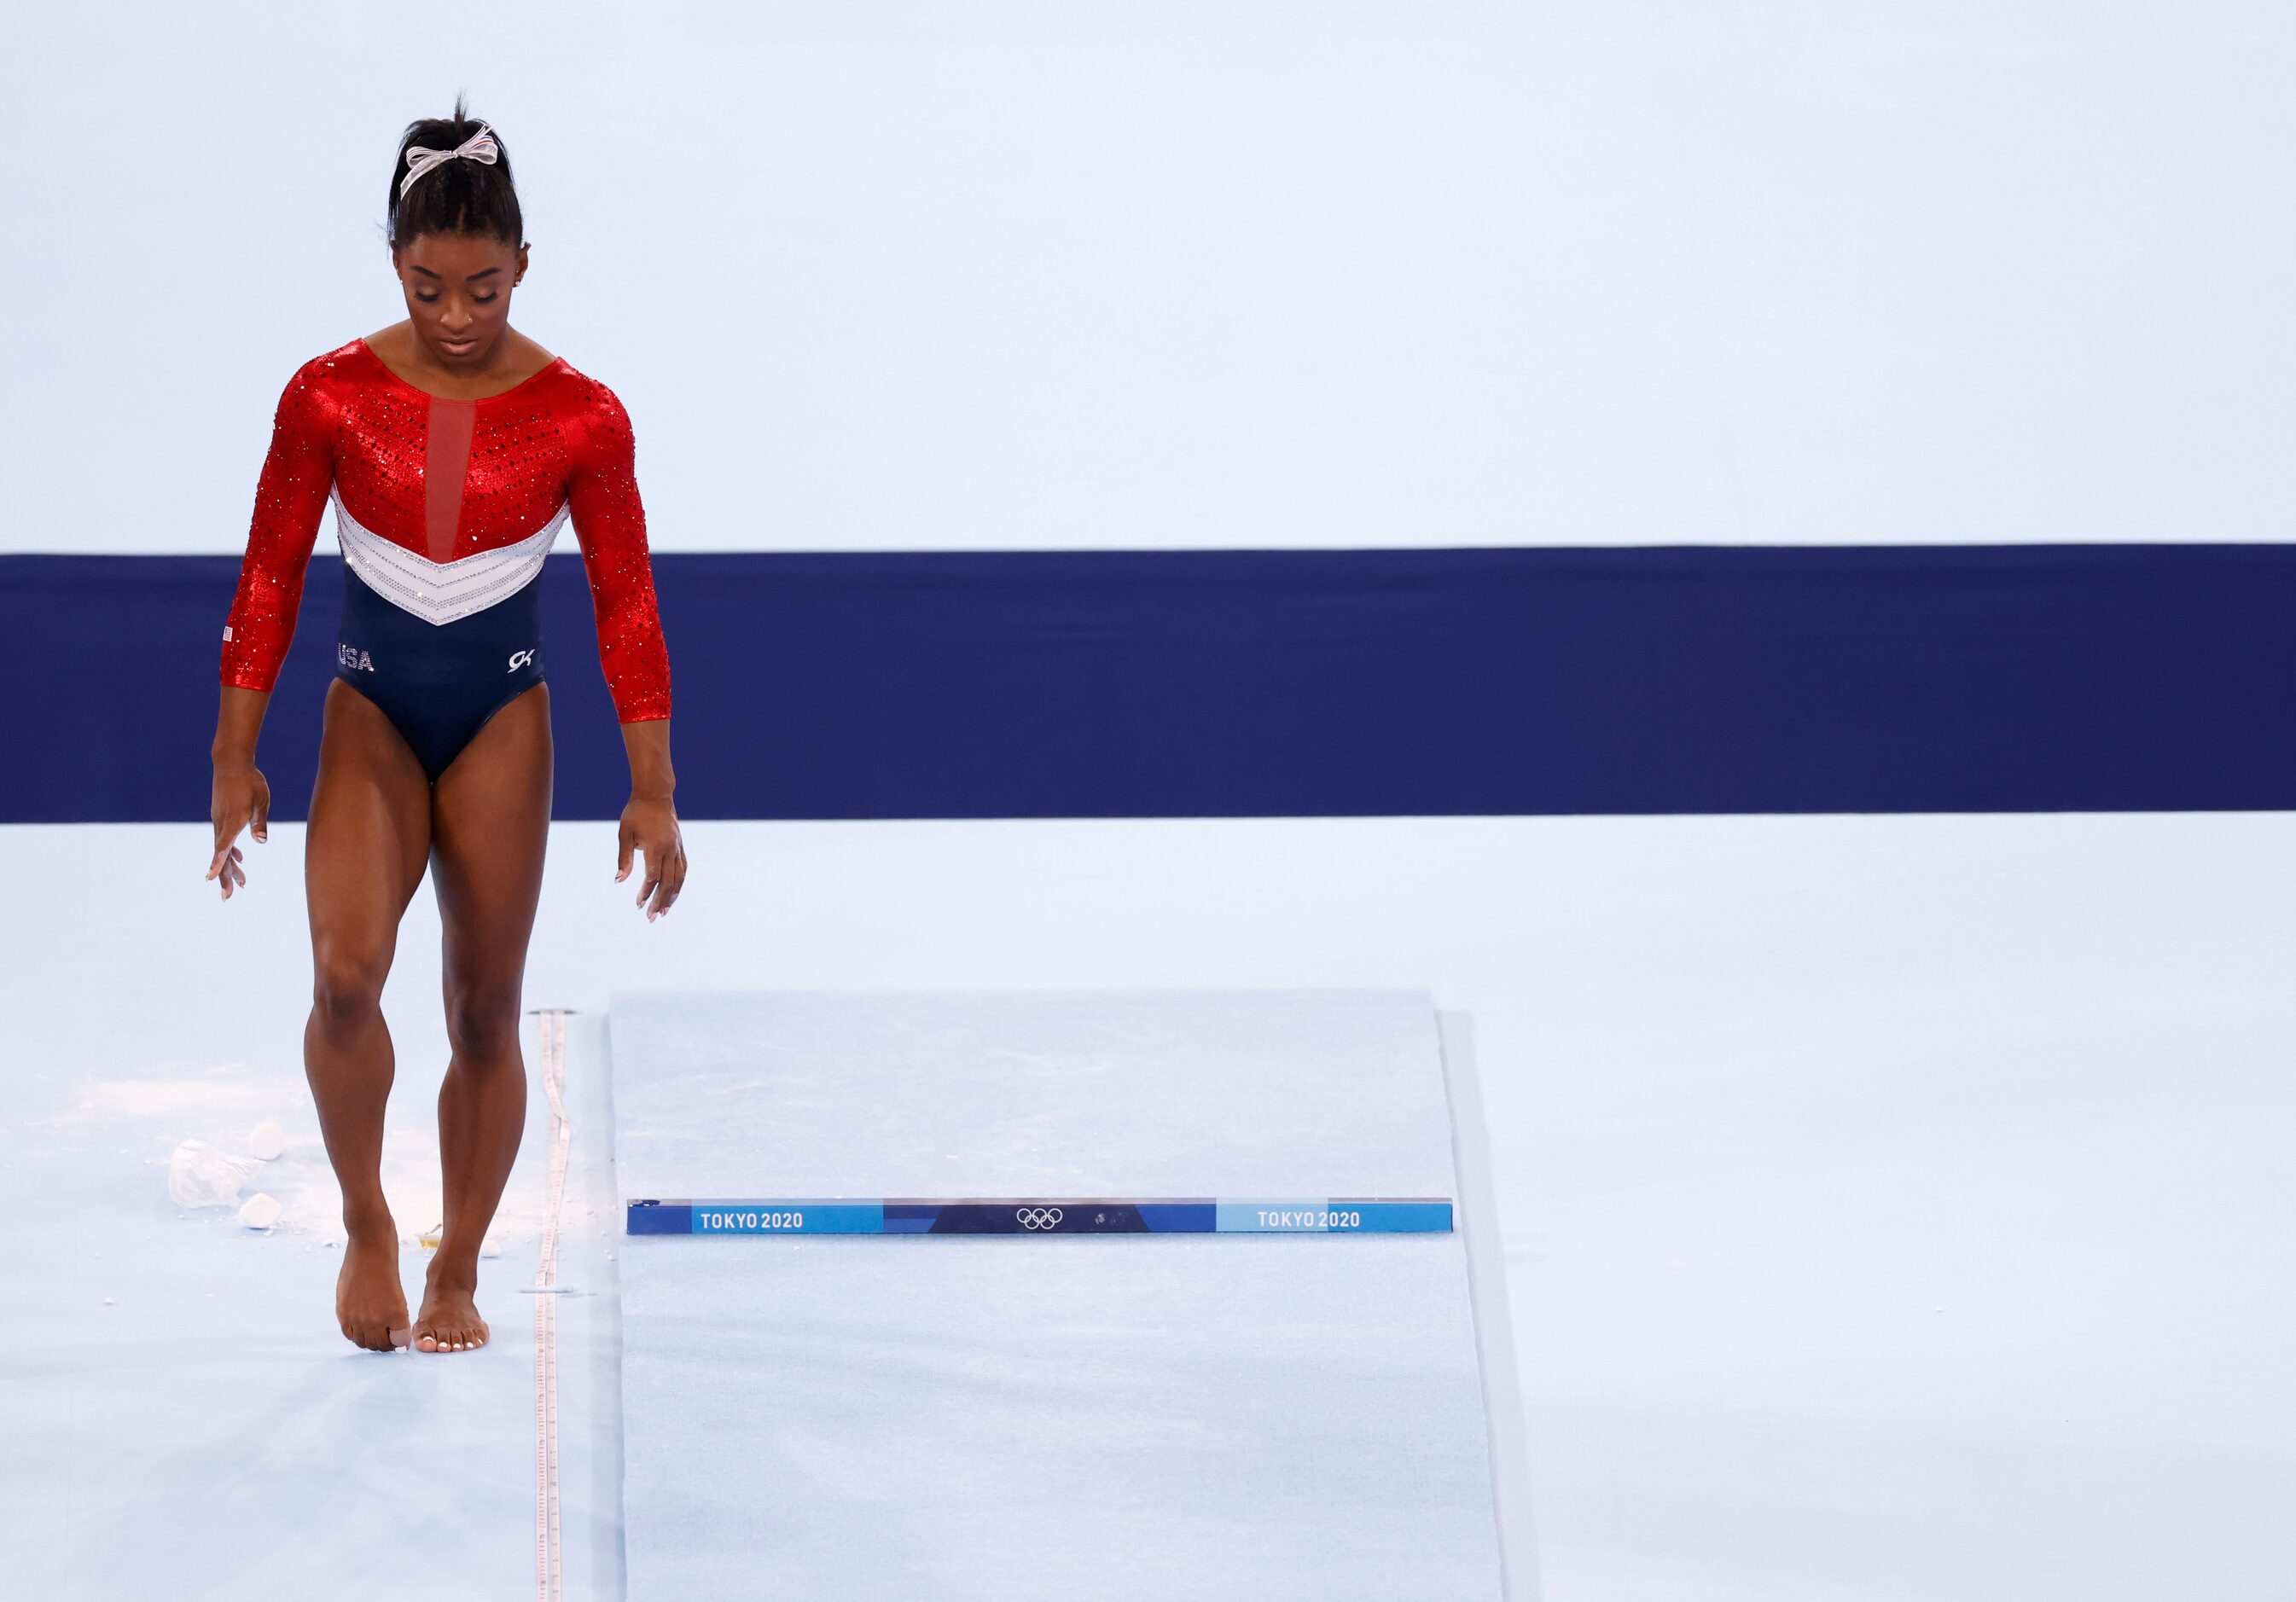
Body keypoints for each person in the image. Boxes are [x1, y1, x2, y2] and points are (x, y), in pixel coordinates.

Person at [206, 105, 685, 1354]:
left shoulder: (583, 414)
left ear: (523, 264)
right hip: (370, 711)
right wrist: (230, 755)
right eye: (429, 288)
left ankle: (458, 1263)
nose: (458, 316)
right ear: (395, 266)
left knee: (484, 1011)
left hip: (499, 721)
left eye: (482, 286)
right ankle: (369, 1220)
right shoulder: (326, 396)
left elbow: (626, 600)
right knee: (344, 977)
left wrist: (654, 784)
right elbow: (268, 577)